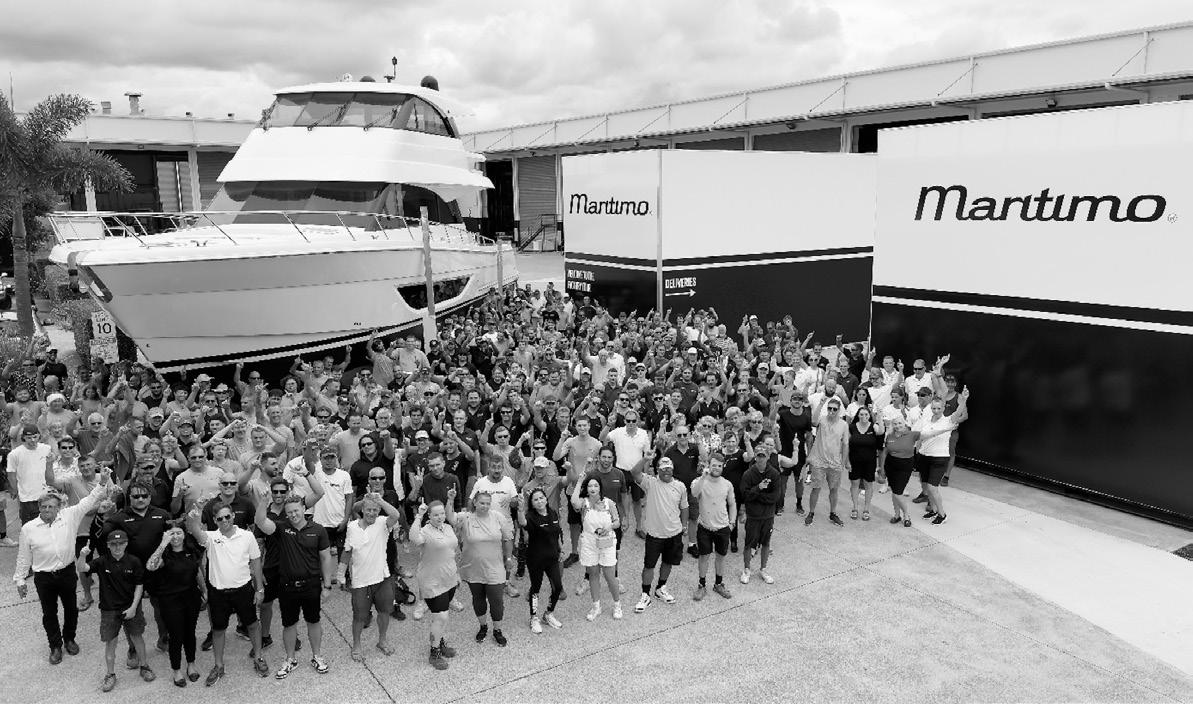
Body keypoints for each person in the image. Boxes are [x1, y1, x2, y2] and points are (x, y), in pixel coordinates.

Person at [12, 467, 114, 663]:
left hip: (67, 572)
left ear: (58, 507)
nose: (47, 510)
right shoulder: (28, 529)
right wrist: (20, 580)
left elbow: (89, 501)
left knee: (71, 609)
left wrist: (102, 483)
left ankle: (69, 639)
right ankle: (55, 646)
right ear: (39, 507)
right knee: (49, 613)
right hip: (44, 577)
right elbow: (24, 556)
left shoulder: (69, 516)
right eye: (43, 506)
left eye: (51, 506)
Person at [185, 499, 270, 685]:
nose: (224, 521)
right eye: (220, 518)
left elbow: (256, 562)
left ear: (233, 516)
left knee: (253, 625)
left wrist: (259, 589)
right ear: (214, 520)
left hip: (243, 590)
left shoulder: (247, 536)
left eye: (227, 517)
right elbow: (193, 529)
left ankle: (258, 657)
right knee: (218, 630)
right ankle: (218, 665)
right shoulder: (210, 538)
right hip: (218, 593)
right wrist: (197, 511)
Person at [253, 493, 333, 679]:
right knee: (289, 624)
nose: (293, 515)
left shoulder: (318, 530)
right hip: (287, 586)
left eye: (296, 510)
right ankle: (290, 659)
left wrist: (327, 586)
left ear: (304, 509)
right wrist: (263, 502)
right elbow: (260, 521)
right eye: (289, 512)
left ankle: (317, 656)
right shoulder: (281, 528)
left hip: (311, 585)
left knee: (314, 621)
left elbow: (325, 557)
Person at [79, 527, 156, 691]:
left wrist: (134, 607)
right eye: (113, 544)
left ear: (126, 543)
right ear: (108, 545)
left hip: (131, 607)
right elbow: (82, 568)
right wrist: (82, 555)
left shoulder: (134, 561)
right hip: (109, 610)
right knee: (111, 642)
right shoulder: (102, 561)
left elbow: (139, 586)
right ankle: (110, 674)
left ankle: (144, 666)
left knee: (137, 637)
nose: (117, 547)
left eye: (121, 543)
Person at [341, 491, 403, 661]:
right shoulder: (352, 526)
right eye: (368, 509)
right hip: (360, 581)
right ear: (363, 510)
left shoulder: (383, 523)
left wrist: (379, 501)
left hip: (382, 578)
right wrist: (340, 574)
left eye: (375, 510)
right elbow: (347, 551)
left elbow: (396, 515)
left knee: (384, 612)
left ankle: (382, 641)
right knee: (359, 617)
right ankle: (357, 645)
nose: (371, 513)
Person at [449, 491, 515, 646]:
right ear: (475, 503)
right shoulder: (465, 518)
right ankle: (483, 626)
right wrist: (450, 500)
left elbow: (507, 539)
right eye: (482, 503)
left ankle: (497, 630)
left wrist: (508, 558)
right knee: (478, 598)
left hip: (495, 567)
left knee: (496, 600)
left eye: (488, 503)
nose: (485, 506)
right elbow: (450, 517)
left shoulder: (498, 517)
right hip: (473, 567)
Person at [145, 525, 204, 687]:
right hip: (170, 601)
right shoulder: (164, 555)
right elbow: (150, 566)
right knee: (176, 635)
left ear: (184, 535)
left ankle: (191, 664)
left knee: (190, 633)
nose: (176, 537)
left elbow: (197, 572)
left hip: (191, 598)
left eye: (179, 533)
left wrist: (204, 590)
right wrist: (163, 543)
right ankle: (176, 669)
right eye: (172, 534)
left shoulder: (192, 551)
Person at [629, 454, 687, 613]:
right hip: (654, 535)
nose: (666, 471)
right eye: (663, 468)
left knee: (668, 562)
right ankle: (645, 594)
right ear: (657, 470)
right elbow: (634, 472)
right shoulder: (650, 483)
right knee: (649, 566)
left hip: (674, 533)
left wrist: (684, 525)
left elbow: (684, 507)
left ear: (673, 470)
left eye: (669, 468)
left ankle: (661, 588)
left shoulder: (680, 486)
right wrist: (645, 459)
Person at [409, 499, 460, 670]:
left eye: (442, 513)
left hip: (449, 578)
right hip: (432, 581)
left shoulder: (448, 528)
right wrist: (418, 516)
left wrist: (457, 574)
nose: (440, 517)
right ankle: (434, 652)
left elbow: (451, 552)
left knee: (441, 617)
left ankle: (439, 641)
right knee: (441, 617)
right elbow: (413, 538)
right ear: (429, 516)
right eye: (435, 514)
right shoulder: (424, 531)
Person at [570, 476, 621, 620]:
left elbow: (617, 522)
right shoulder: (583, 503)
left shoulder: (609, 503)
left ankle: (617, 604)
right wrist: (580, 481)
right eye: (590, 486)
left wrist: (609, 527)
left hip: (606, 541)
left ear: (600, 488)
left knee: (610, 576)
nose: (593, 489)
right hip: (589, 542)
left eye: (596, 486)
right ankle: (596, 606)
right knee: (593, 574)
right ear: (586, 489)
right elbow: (573, 501)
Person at [519, 487, 565, 632]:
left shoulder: (553, 513)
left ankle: (548, 614)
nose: (539, 501)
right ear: (532, 503)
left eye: (541, 498)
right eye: (535, 499)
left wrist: (561, 549)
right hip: (535, 559)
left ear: (546, 499)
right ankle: (533, 618)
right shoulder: (530, 517)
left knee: (557, 587)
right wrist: (520, 508)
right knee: (535, 588)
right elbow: (523, 523)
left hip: (552, 558)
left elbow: (557, 533)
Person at [691, 454, 735, 599]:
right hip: (705, 527)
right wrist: (703, 477)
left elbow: (732, 504)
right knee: (704, 556)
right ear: (708, 465)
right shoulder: (699, 481)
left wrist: (732, 523)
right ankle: (701, 585)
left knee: (721, 557)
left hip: (723, 527)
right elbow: (694, 493)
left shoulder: (727, 484)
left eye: (719, 466)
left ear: (723, 467)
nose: (716, 468)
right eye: (714, 465)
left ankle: (718, 584)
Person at [740, 440, 783, 585]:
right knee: (749, 544)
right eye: (758, 455)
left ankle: (763, 569)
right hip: (753, 516)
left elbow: (775, 497)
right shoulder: (748, 474)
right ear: (755, 457)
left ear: (768, 457)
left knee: (766, 543)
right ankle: (746, 569)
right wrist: (758, 488)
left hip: (768, 516)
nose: (760, 459)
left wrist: (756, 496)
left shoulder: (774, 474)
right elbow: (745, 495)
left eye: (763, 456)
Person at [804, 398, 850, 527]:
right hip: (819, 461)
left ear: (839, 410)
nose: (832, 411)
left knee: (834, 489)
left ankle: (833, 513)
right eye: (830, 408)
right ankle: (811, 513)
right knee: (816, 488)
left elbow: (845, 444)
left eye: (835, 409)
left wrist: (843, 463)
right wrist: (820, 404)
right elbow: (813, 421)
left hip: (835, 463)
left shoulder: (844, 425)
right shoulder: (822, 420)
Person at [7, 424, 53, 524]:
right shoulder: (14, 454)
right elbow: (11, 474)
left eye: (35, 437)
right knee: (29, 526)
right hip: (27, 498)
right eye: (29, 438)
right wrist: (14, 489)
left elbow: (52, 467)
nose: (32, 440)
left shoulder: (47, 449)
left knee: (48, 525)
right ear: (23, 437)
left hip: (46, 495)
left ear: (39, 436)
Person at [847, 407, 883, 521]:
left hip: (869, 462)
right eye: (861, 414)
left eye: (866, 414)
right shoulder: (852, 427)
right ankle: (855, 508)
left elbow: (881, 432)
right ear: (858, 415)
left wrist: (879, 417)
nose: (864, 417)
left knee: (868, 485)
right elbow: (846, 445)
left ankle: (866, 509)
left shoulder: (873, 426)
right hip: (854, 461)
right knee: (855, 484)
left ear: (869, 415)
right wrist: (846, 461)